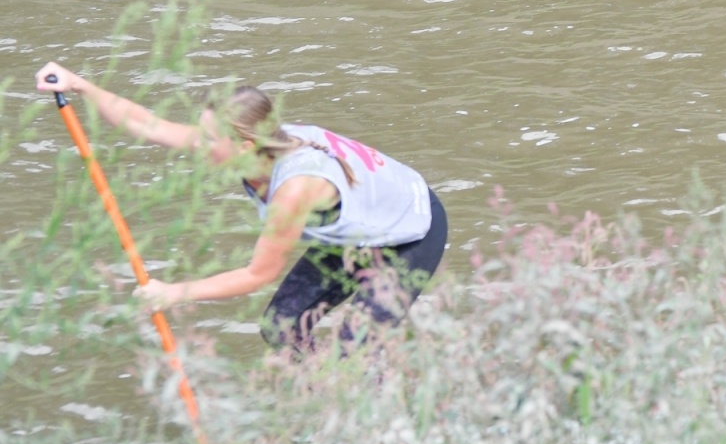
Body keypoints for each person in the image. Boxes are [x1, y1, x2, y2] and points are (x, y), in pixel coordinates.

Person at [35, 62, 448, 352]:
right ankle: (324, 410)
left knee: (354, 350)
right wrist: (79, 85)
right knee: (282, 328)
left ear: (245, 146)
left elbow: (257, 274)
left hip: (411, 234)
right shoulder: (253, 147)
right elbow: (148, 125)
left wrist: (174, 293)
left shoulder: (295, 190)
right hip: (361, 228)